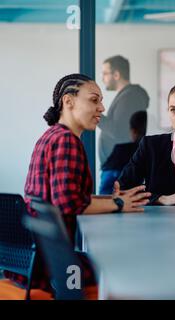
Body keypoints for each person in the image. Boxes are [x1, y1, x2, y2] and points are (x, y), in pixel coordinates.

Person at [4, 73, 151, 295]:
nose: (102, 108)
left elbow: (63, 197)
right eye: (94, 100)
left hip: (33, 261)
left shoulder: (50, 136)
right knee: (127, 271)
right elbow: (68, 204)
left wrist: (112, 199)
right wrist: (119, 204)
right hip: (53, 270)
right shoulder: (66, 141)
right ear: (68, 101)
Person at [98, 55, 150, 166]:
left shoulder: (129, 97)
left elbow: (118, 131)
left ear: (116, 75)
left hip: (117, 167)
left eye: (105, 74)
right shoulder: (129, 95)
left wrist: (95, 113)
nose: (102, 78)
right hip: (117, 165)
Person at [99, 110, 147, 195]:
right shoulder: (149, 151)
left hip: (113, 193)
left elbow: (105, 188)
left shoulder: (120, 150)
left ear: (133, 131)